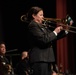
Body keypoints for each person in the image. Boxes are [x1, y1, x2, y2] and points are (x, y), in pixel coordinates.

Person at [23, 6, 73, 75]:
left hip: (47, 59)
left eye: (43, 15)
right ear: (34, 16)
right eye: (40, 15)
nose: (43, 17)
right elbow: (44, 39)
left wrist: (67, 29)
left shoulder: (42, 26)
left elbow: (53, 37)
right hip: (40, 60)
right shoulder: (33, 26)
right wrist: (55, 31)